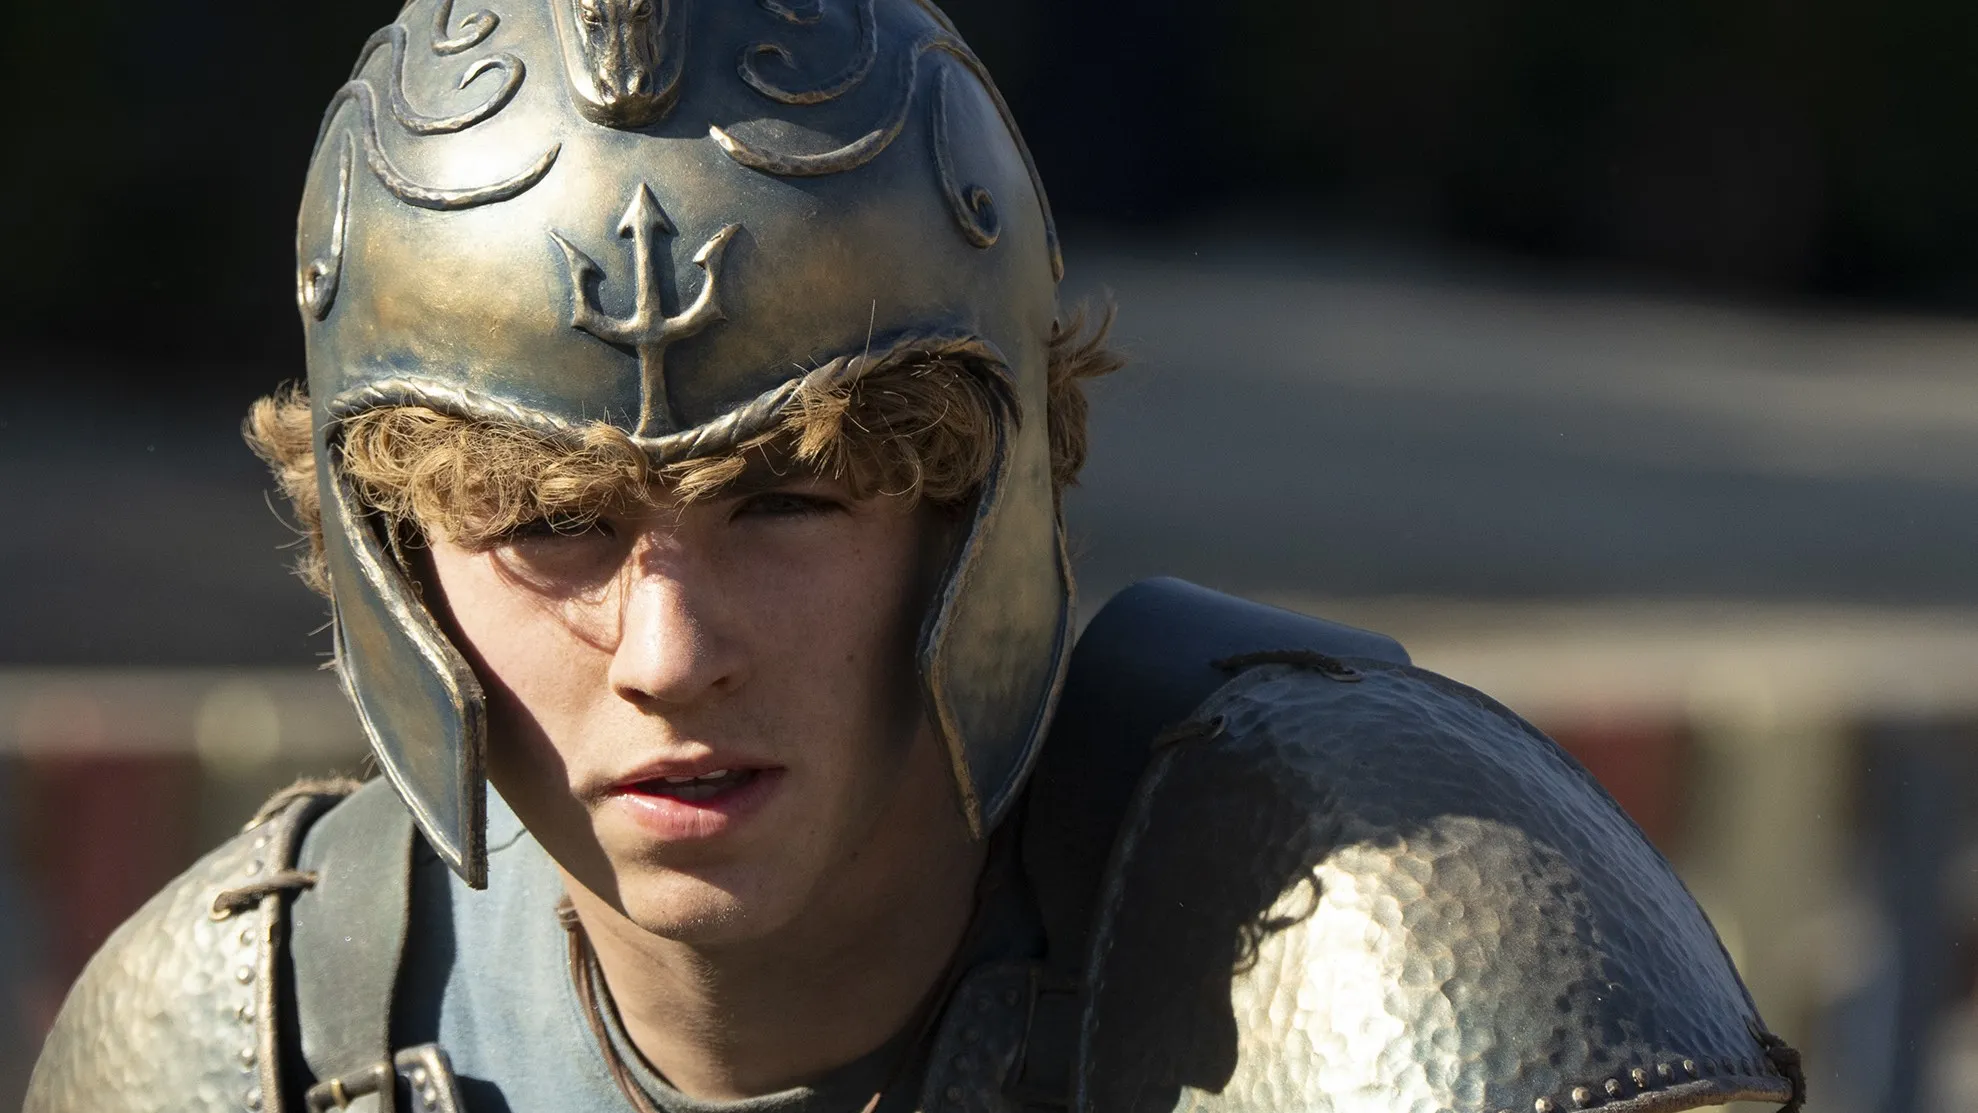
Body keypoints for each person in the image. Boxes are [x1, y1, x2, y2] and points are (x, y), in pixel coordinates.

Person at [26, 2, 1804, 1111]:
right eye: (552, 526)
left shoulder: (1377, 940)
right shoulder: (239, 1047)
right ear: (396, 559)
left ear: (978, 503)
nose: (669, 651)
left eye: (789, 500)